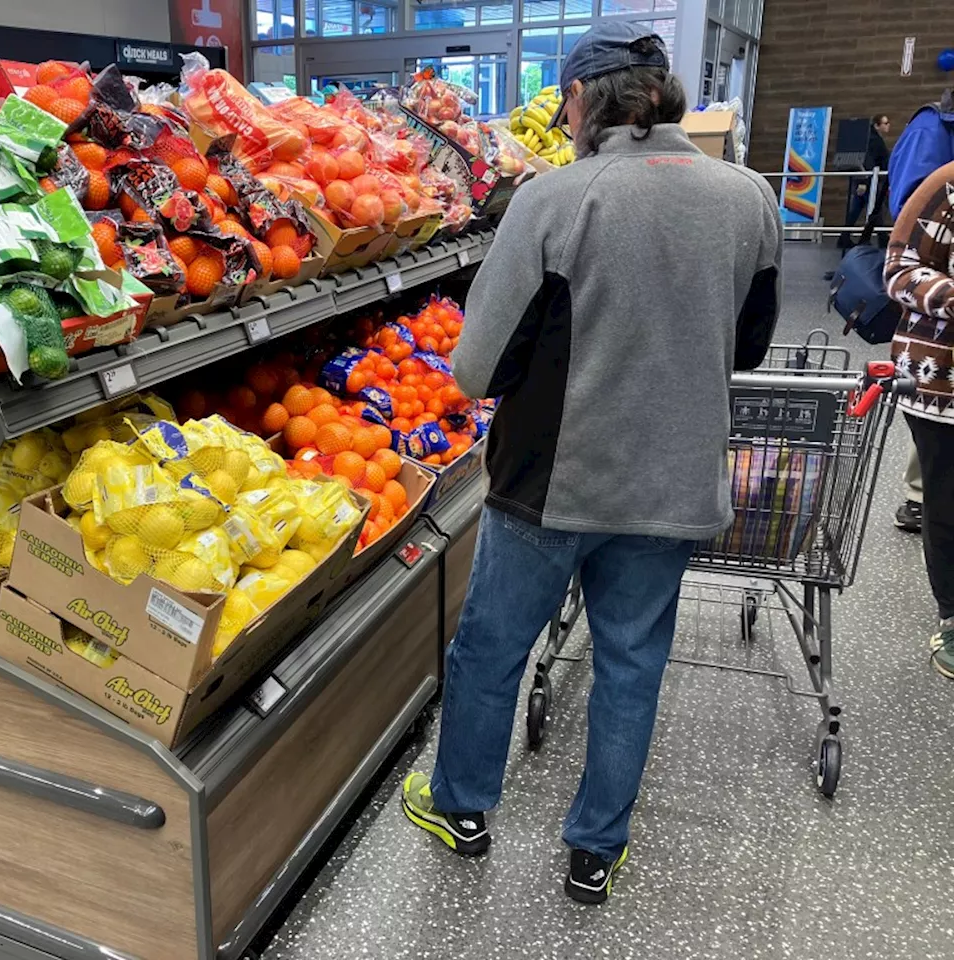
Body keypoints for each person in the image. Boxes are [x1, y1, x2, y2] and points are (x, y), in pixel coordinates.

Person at [399, 21, 781, 904]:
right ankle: (595, 852)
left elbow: (474, 369)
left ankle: (460, 809)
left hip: (550, 488)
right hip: (676, 480)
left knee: (491, 652)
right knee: (632, 664)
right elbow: (751, 344)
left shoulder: (556, 198)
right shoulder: (749, 196)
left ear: (580, 99)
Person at [885, 160, 954, 677]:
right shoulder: (944, 185)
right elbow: (900, 271)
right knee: (948, 499)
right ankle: (952, 616)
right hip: (941, 379)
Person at [888, 90, 953, 533]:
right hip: (939, 363)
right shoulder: (933, 131)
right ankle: (917, 496)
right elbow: (908, 227)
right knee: (943, 491)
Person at [842, 114, 891, 244]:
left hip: (868, 179)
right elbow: (867, 160)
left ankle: (845, 237)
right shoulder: (873, 141)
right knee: (875, 208)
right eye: (885, 123)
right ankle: (881, 238)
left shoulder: (872, 139)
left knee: (858, 209)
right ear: (877, 125)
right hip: (869, 180)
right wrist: (863, 181)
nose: (888, 126)